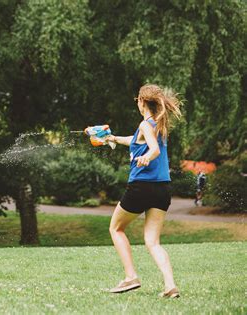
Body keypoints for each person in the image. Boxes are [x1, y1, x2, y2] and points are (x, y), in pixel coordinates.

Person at [104, 84, 182, 298]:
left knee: (116, 228)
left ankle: (130, 277)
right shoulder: (157, 125)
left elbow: (153, 149)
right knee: (153, 241)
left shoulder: (145, 125)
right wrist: (113, 138)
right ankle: (170, 286)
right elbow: (136, 140)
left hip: (141, 187)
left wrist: (147, 157)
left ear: (141, 102)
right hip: (162, 189)